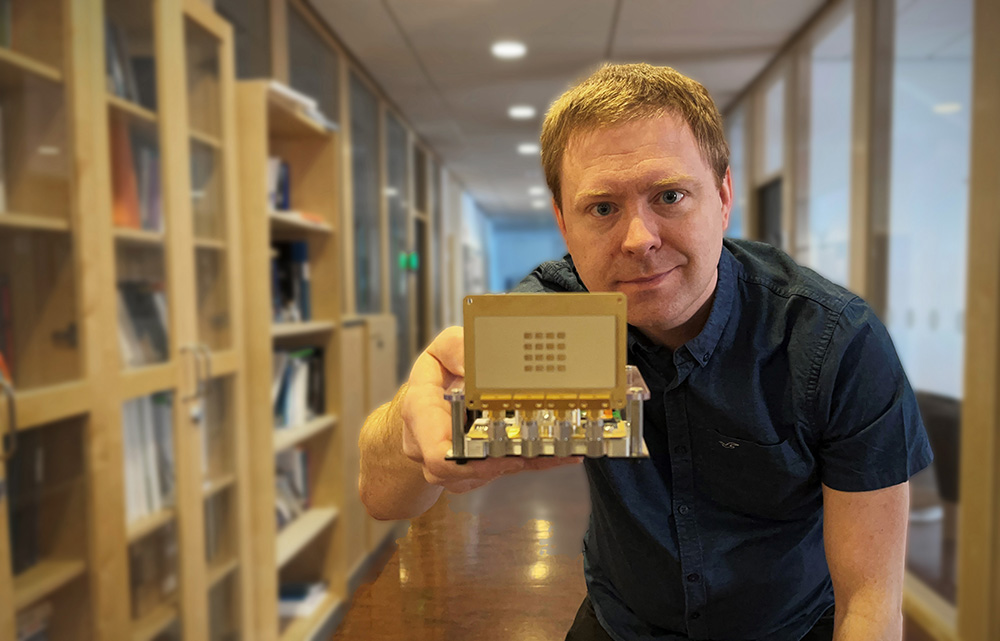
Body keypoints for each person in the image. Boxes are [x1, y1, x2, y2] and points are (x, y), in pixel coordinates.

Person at [359, 63, 932, 641]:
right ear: (563, 221)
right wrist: (417, 419)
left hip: (789, 627)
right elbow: (380, 496)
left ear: (723, 197)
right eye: (602, 208)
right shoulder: (555, 316)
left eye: (670, 196)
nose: (639, 239)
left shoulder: (832, 342)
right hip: (623, 622)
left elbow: (870, 601)